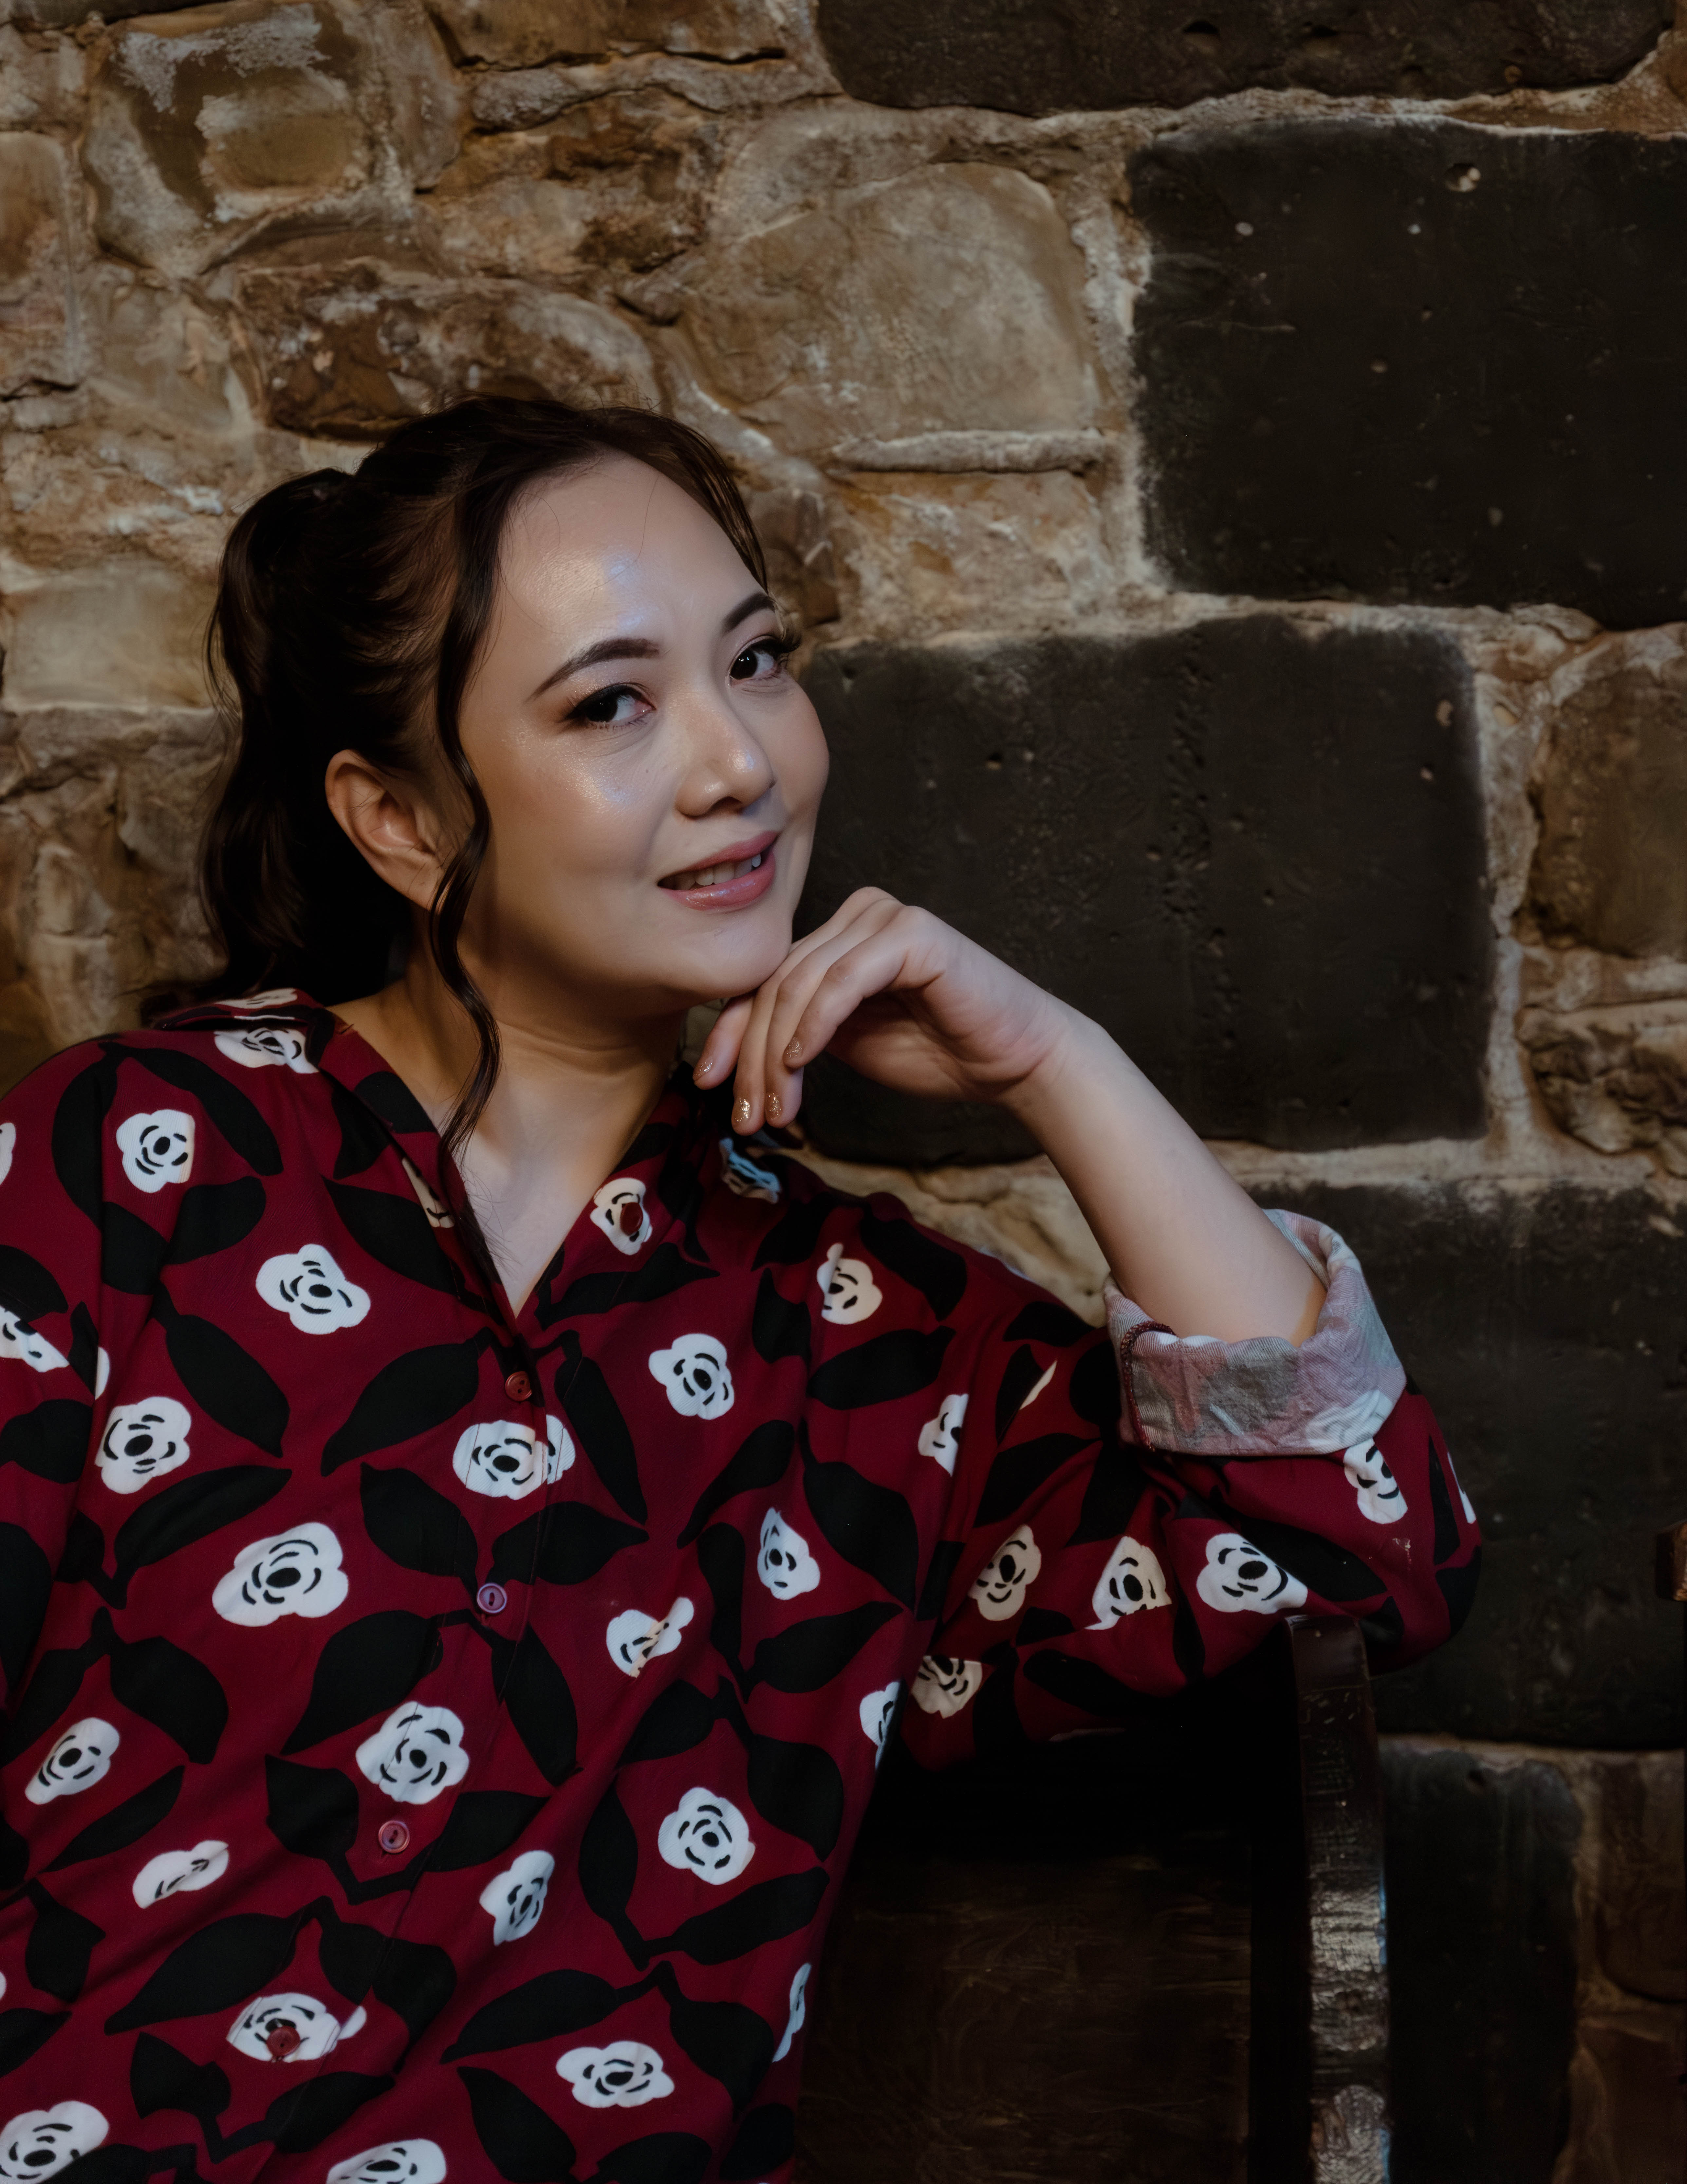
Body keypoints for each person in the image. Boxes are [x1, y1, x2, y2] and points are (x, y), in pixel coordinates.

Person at [0, 397, 1476, 2182]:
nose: (739, 766)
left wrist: (1057, 1064)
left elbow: (1356, 1539)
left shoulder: (873, 1341)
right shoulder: (130, 1164)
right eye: (610, 704)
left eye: (757, 662)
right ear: (398, 817)